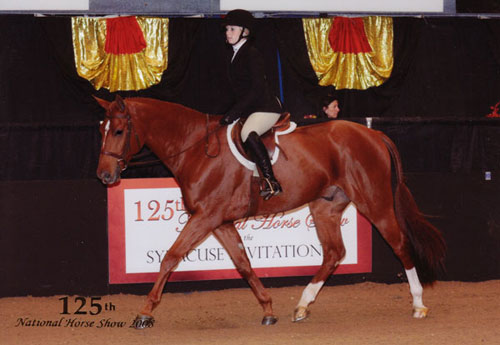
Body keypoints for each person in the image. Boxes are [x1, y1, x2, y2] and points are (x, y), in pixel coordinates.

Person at [219, 9, 283, 200]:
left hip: (265, 107)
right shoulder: (234, 55)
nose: (227, 33)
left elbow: (256, 90)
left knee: (247, 133)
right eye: (227, 29)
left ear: (244, 32)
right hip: (251, 108)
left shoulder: (251, 53)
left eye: (232, 29)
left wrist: (235, 112)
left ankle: (272, 182)